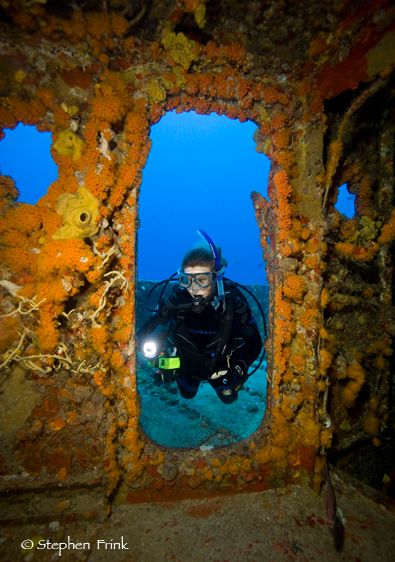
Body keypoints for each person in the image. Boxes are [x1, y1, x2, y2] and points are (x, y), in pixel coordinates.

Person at [138, 231, 264, 404]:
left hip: (221, 368)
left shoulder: (234, 302)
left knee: (229, 398)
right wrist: (157, 357)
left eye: (202, 279)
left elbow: (255, 343)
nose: (194, 288)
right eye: (186, 279)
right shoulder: (176, 301)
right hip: (187, 367)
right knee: (187, 394)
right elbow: (143, 334)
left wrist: (238, 369)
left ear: (216, 278)